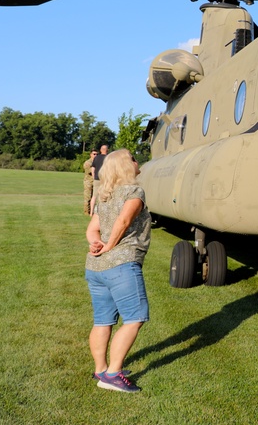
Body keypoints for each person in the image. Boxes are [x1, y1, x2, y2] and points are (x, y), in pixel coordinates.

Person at [85, 149, 151, 393]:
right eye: (133, 158)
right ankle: (113, 375)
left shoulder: (104, 196)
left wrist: (96, 243)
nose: (137, 161)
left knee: (103, 320)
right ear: (126, 166)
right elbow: (123, 222)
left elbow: (92, 230)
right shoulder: (134, 191)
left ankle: (100, 369)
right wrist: (110, 246)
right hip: (121, 264)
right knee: (135, 318)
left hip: (96, 268)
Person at [88, 144, 110, 214]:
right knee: (104, 196)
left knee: (94, 196)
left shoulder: (96, 158)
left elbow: (93, 168)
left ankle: (91, 212)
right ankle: (103, 211)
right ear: (107, 150)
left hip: (96, 179)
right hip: (105, 179)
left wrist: (94, 177)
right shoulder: (108, 158)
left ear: (100, 150)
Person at [83, 149, 97, 215]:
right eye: (94, 154)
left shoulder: (97, 162)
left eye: (97, 154)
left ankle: (93, 211)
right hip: (88, 182)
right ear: (91, 154)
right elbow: (91, 171)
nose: (95, 155)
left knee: (94, 197)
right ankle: (86, 212)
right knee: (88, 197)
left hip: (95, 181)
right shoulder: (88, 163)